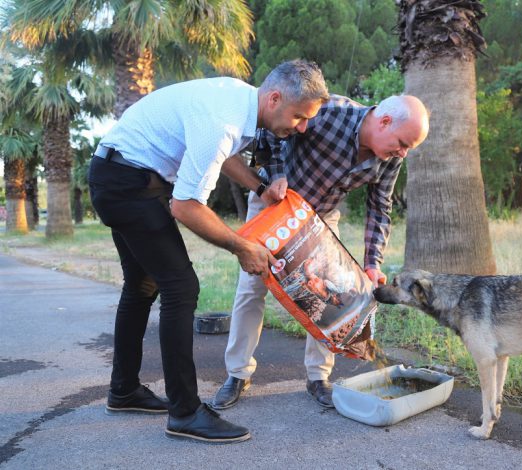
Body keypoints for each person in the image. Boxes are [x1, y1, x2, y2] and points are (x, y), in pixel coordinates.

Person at [88, 60, 329, 443]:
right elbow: (185, 206)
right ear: (275, 97)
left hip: (119, 174)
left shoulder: (238, 101)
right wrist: (240, 246)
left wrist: (257, 185)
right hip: (128, 185)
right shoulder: (224, 121)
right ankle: (184, 412)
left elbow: (225, 154)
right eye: (299, 116)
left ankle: (124, 390)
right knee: (181, 288)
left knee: (142, 286)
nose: (300, 128)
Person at [213, 94, 429, 410]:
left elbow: (379, 206)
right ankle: (237, 374)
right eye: (402, 143)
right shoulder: (328, 112)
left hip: (321, 216)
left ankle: (318, 377)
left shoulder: (391, 155)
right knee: (252, 287)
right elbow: (269, 129)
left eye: (409, 147)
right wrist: (275, 175)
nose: (403, 153)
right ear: (384, 121)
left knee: (332, 293)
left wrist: (372, 263)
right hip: (274, 204)